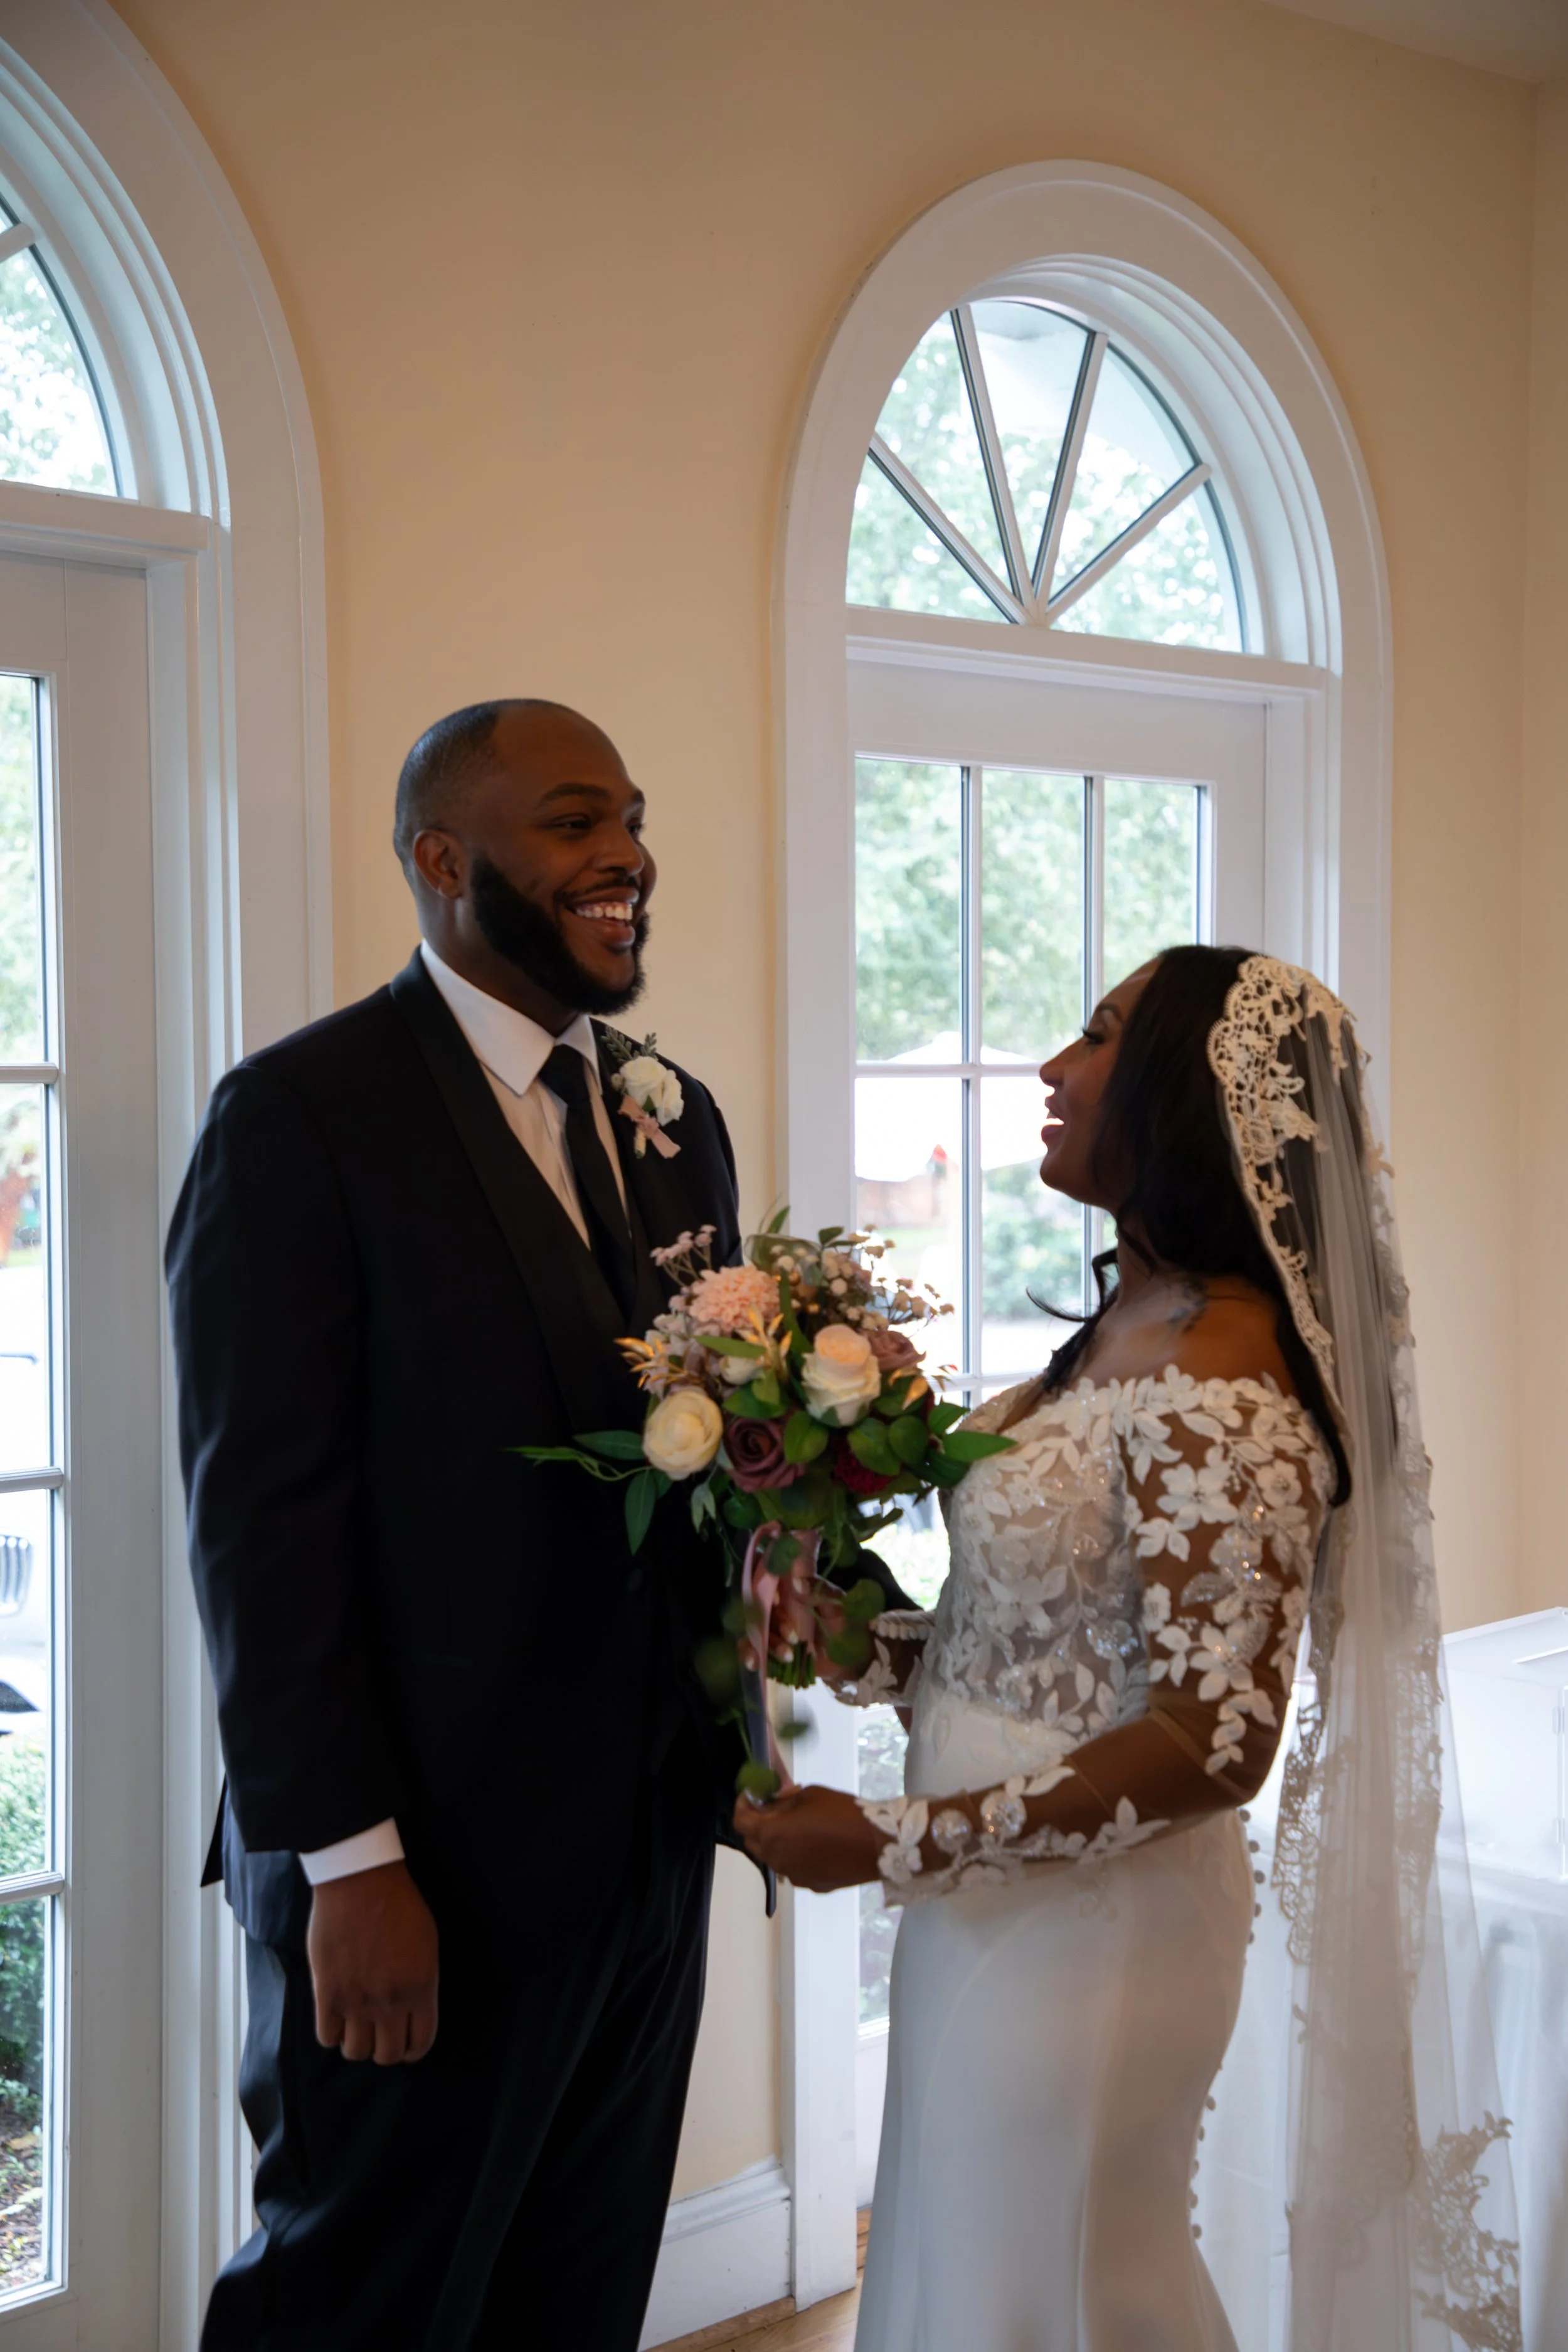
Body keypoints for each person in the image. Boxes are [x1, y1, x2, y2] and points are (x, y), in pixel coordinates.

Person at [738, 947, 1520, 2351]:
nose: (1049, 1070)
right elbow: (1038, 1649)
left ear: (1184, 1098)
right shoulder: (1125, 1325)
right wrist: (860, 1635)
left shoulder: (1222, 1367)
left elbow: (1212, 1743)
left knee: (1061, 2283)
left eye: (1093, 1037)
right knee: (977, 2263)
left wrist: (891, 1841)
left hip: (1092, 1938)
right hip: (993, 1905)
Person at [167, 699, 748, 2351]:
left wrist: (748, 1697)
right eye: (574, 820)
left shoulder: (669, 1107)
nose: (624, 853)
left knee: (573, 2292)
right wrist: (348, 1860)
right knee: (359, 2299)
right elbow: (261, 1528)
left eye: (630, 816)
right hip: (417, 1861)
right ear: (443, 857)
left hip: (642, 1850)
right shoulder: (299, 1117)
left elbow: (694, 1448)